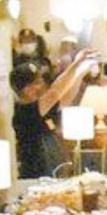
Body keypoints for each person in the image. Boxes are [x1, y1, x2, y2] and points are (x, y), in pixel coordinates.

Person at [10, 48, 97, 179]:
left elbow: (66, 95)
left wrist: (80, 72)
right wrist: (76, 64)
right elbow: (56, 92)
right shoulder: (25, 111)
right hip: (35, 176)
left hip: (52, 173)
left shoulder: (42, 108)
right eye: (37, 82)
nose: (42, 85)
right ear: (26, 88)